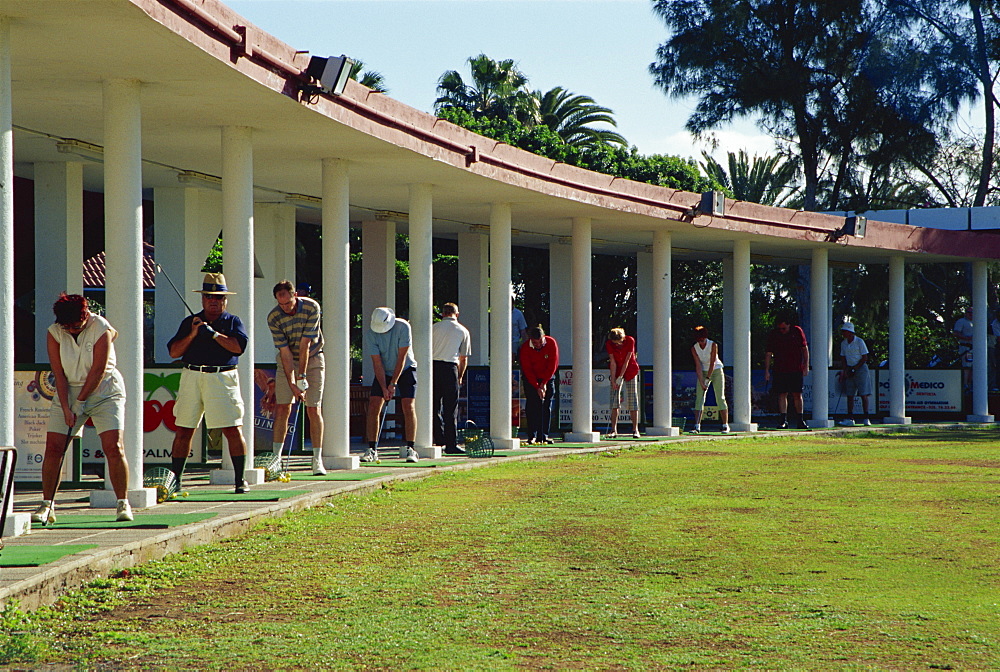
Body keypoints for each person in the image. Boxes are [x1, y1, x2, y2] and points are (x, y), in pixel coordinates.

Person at [32, 294, 133, 524]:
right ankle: (47, 505)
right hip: (68, 391)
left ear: (85, 315)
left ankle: (122, 503)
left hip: (105, 391)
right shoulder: (55, 332)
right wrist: (67, 407)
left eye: (75, 326)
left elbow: (97, 370)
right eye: (67, 327)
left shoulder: (101, 327)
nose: (71, 330)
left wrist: (80, 403)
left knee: (113, 446)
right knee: (54, 447)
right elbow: (58, 373)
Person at [167, 273, 251, 494]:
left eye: (218, 297)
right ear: (203, 299)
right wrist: (194, 332)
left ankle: (240, 479)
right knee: (184, 429)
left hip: (221, 376)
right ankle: (176, 481)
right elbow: (174, 351)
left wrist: (214, 334)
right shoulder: (191, 321)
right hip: (192, 375)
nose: (214, 301)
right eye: (209, 296)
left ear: (225, 300)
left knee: (232, 428)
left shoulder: (233, 322)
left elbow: (238, 347)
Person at [266, 279, 326, 475]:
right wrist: (292, 384)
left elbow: (305, 345)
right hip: (287, 361)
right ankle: (276, 460)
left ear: (295, 296)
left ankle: (317, 460)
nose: (285, 308)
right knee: (283, 407)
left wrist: (302, 378)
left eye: (288, 303)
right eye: (280, 304)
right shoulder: (274, 317)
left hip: (314, 359)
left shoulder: (311, 307)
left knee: (313, 408)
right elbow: (285, 352)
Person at [364, 307, 419, 463]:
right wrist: (384, 387)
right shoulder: (371, 334)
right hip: (384, 371)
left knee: (408, 405)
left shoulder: (403, 327)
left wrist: (393, 383)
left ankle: (411, 448)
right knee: (374, 404)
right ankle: (372, 449)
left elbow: (402, 358)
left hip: (406, 369)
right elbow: (377, 362)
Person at [431, 303, 471, 455]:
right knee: (450, 408)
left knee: (434, 406)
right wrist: (460, 376)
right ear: (457, 314)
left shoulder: (434, 328)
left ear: (443, 314)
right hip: (450, 368)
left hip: (434, 367)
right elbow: (463, 358)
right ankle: (451, 443)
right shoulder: (462, 331)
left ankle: (438, 438)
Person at [764, 314, 810, 429]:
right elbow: (768, 353)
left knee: (797, 394)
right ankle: (783, 420)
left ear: (789, 325)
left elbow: (804, 349)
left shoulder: (797, 331)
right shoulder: (774, 334)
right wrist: (767, 370)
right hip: (780, 369)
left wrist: (806, 365)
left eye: (784, 328)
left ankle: (800, 420)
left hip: (795, 368)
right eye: (780, 328)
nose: (782, 331)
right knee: (782, 394)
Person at [520, 325, 559, 445]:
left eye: (540, 342)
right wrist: (537, 386)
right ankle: (532, 435)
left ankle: (544, 436)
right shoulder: (525, 348)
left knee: (546, 406)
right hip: (531, 379)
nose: (538, 345)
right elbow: (527, 370)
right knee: (532, 405)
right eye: (535, 342)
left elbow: (553, 365)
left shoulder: (551, 343)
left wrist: (544, 384)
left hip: (547, 378)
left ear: (543, 337)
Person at [689, 326, 730, 434]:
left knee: (720, 397)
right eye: (699, 341)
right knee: (699, 398)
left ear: (705, 337)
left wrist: (708, 378)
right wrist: (702, 381)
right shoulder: (694, 348)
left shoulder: (713, 345)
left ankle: (725, 425)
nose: (701, 343)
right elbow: (698, 365)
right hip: (702, 372)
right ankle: (697, 426)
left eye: (702, 340)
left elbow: (713, 362)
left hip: (716, 370)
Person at [605, 327, 641, 439]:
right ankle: (613, 430)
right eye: (615, 342)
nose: (617, 344)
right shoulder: (609, 344)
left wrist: (621, 376)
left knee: (632, 399)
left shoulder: (630, 340)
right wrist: (614, 379)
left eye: (619, 342)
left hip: (630, 371)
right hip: (616, 372)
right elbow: (613, 362)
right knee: (614, 400)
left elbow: (627, 360)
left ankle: (635, 430)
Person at [837, 322, 872, 426]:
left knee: (863, 394)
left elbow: (865, 357)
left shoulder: (859, 342)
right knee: (850, 394)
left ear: (850, 332)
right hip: (849, 369)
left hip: (860, 369)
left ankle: (866, 418)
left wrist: (855, 369)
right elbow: (843, 358)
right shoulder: (843, 343)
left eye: (845, 331)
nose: (843, 333)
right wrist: (846, 370)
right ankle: (850, 418)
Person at [954, 307, 974, 390]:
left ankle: (971, 385)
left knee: (974, 367)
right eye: (969, 312)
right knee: (967, 366)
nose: (971, 314)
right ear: (966, 313)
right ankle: (965, 384)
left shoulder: (976, 322)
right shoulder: (961, 321)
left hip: (975, 348)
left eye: (972, 313)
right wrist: (966, 338)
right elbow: (956, 333)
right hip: (966, 347)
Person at [990, 309, 1000, 392]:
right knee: (996, 366)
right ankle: (995, 384)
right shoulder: (995, 323)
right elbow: (999, 337)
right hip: (997, 347)